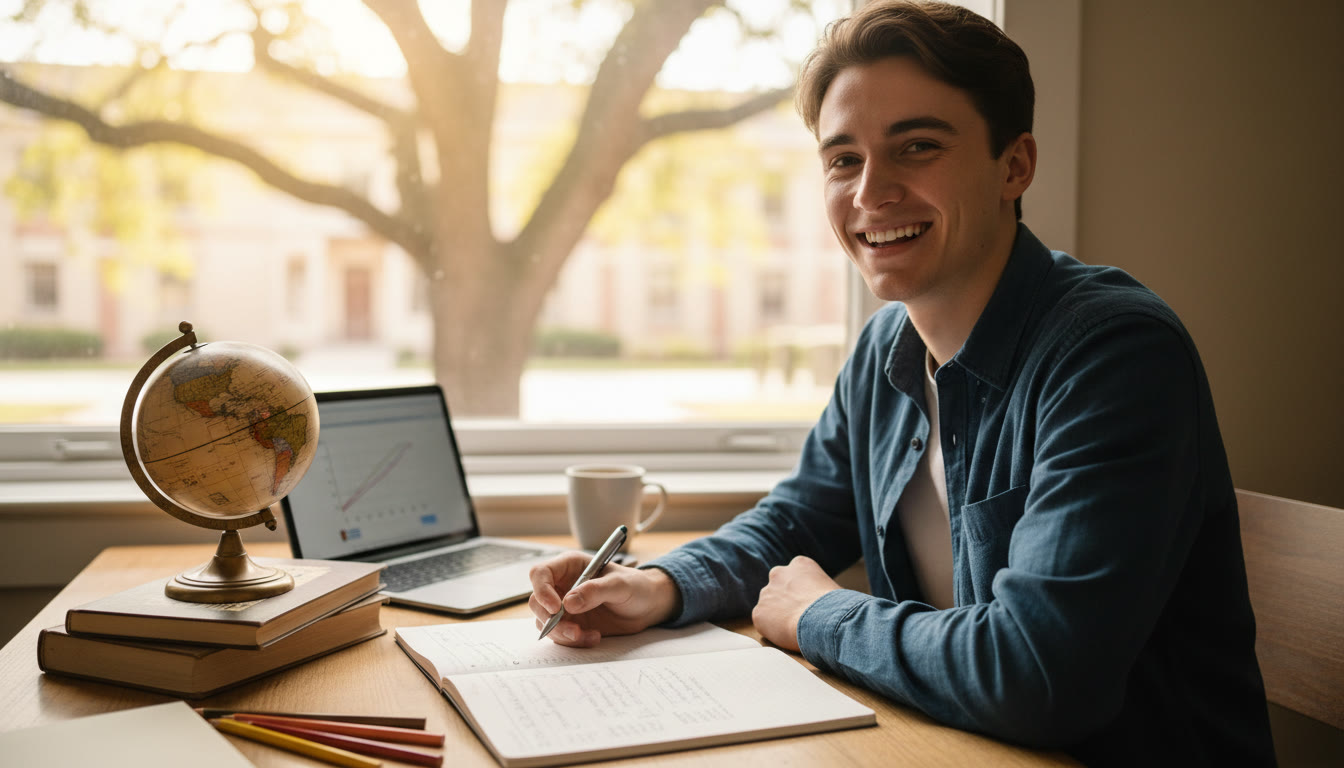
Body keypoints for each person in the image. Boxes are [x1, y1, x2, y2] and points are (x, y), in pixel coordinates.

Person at [528, 1, 1276, 764]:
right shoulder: (885, 348)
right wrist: (657, 585)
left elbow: (1041, 673)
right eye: (842, 159)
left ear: (1014, 166)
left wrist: (820, 615)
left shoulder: (1115, 355)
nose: (869, 192)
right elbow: (796, 523)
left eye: (917, 147)